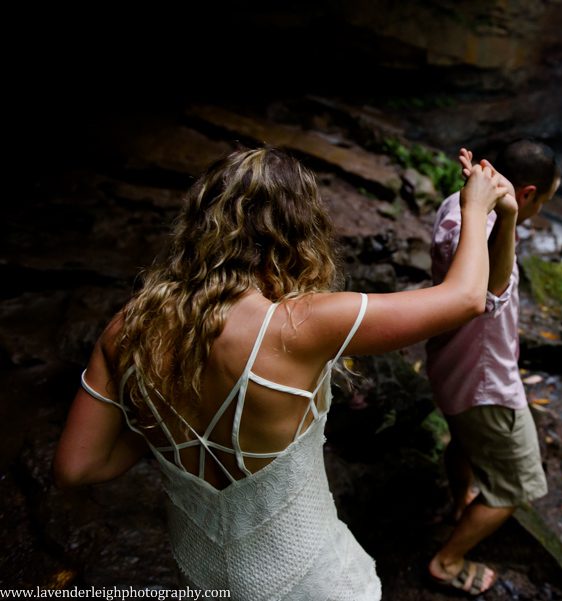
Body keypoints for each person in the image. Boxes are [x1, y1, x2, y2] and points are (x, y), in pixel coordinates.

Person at [53, 147, 511, 600]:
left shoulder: (127, 327)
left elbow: (77, 467)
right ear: (298, 231)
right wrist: (476, 208)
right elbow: (466, 298)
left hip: (203, 572)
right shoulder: (300, 325)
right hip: (307, 579)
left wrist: (165, 415)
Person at [426, 140, 561, 595]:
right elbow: (490, 292)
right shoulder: (493, 223)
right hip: (486, 383)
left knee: (463, 441)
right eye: (542, 201)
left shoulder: (458, 203)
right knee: (517, 486)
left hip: (449, 367)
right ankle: (448, 561)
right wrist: (507, 219)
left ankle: (459, 500)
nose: (539, 211)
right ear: (524, 195)